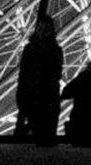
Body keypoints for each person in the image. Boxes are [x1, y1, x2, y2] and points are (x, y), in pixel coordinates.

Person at [15, 13, 63, 146]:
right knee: (42, 133)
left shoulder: (33, 49)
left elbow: (55, 75)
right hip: (37, 94)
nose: (43, 31)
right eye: (41, 28)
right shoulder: (53, 50)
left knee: (43, 133)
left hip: (44, 95)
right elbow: (24, 73)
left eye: (45, 29)